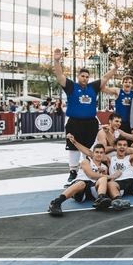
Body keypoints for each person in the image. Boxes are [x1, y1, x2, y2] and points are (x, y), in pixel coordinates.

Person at [52, 48, 117, 182]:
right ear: (78, 77)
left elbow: (105, 77)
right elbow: (59, 76)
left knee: (90, 147)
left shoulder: (93, 87)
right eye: (83, 76)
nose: (85, 78)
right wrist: (57, 61)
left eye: (87, 77)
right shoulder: (71, 86)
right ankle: (73, 171)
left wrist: (115, 68)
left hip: (90, 122)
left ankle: (90, 169)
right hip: (74, 122)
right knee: (73, 146)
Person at [47, 143, 126, 216]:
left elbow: (104, 181)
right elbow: (91, 175)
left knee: (103, 178)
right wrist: (111, 176)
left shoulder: (104, 167)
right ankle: (56, 203)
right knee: (82, 183)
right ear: (93, 153)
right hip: (80, 188)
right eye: (97, 152)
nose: (99, 154)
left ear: (104, 154)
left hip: (92, 189)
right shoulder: (86, 161)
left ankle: (101, 198)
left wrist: (106, 174)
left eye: (101, 152)